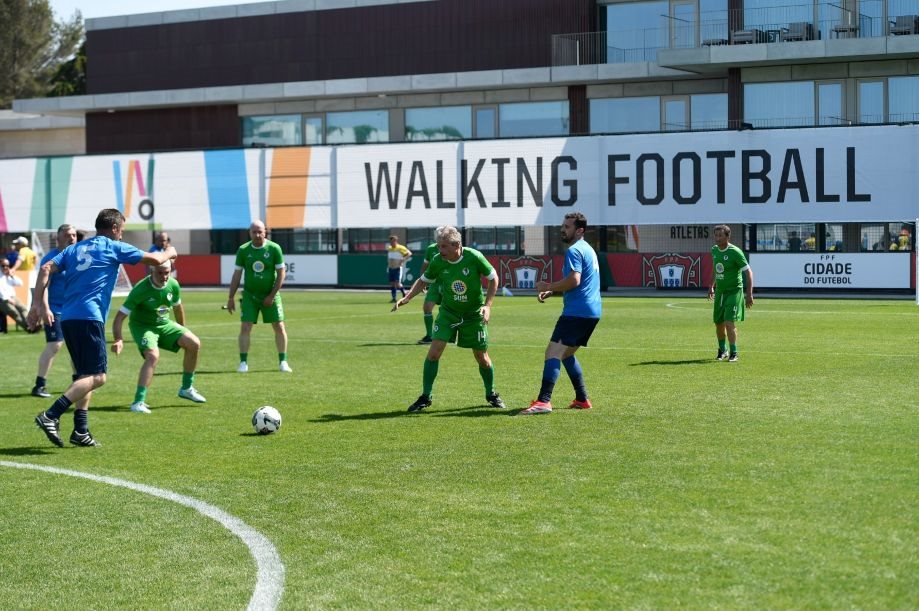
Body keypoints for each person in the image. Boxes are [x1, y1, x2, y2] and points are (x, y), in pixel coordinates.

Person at [29, 208, 177, 448]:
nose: (122, 235)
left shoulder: (74, 248)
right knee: (98, 377)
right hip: (89, 318)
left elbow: (45, 268)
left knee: (84, 376)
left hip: (67, 318)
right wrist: (171, 250)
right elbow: (157, 260)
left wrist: (36, 304)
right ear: (116, 228)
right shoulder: (112, 247)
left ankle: (81, 430)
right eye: (123, 231)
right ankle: (51, 415)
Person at [392, 225, 505, 412]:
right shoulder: (438, 260)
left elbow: (493, 278)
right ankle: (425, 396)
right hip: (449, 313)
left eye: (444, 246)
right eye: (439, 246)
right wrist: (408, 297)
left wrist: (487, 306)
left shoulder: (474, 257)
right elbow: (423, 280)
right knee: (434, 352)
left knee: (481, 357)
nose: (440, 250)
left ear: (457, 245)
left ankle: (491, 393)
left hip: (473, 314)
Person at [519, 212, 602, 415]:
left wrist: (547, 284)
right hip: (591, 311)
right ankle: (582, 399)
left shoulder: (574, 250)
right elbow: (579, 285)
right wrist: (553, 291)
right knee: (566, 354)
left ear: (579, 230)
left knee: (552, 353)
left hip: (577, 312)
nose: (562, 229)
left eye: (567, 226)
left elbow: (574, 281)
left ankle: (543, 402)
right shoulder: (588, 249)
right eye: (563, 226)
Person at [111, 259, 206, 413]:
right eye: (160, 273)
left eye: (166, 273)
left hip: (164, 324)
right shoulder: (141, 289)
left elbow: (177, 307)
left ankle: (186, 388)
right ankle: (138, 402)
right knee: (153, 356)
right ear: (152, 271)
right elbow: (119, 317)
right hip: (143, 327)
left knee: (194, 343)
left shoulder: (173, 284)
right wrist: (118, 339)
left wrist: (182, 330)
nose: (164, 277)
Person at [226, 220, 291, 373]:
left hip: (271, 295)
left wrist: (271, 295)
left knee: (279, 326)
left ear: (265, 231)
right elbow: (237, 275)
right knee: (246, 327)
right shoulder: (243, 250)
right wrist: (230, 297)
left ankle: (283, 362)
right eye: (254, 232)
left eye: (260, 231)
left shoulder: (274, 248)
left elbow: (282, 274)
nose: (257, 235)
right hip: (250, 296)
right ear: (249, 233)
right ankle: (243, 363)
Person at [31, 224, 78, 398]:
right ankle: (39, 385)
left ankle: (78, 381)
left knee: (76, 345)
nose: (71, 238)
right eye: (67, 235)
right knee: (55, 345)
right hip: (55, 309)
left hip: (74, 309)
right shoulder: (50, 259)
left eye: (73, 235)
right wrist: (45, 308)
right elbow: (44, 286)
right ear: (57, 239)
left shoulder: (78, 258)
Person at [707, 224, 754, 363]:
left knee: (729, 322)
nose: (717, 238)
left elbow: (749, 272)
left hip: (734, 291)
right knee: (718, 323)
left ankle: (734, 352)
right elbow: (716, 269)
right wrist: (711, 286)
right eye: (716, 235)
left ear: (728, 236)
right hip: (720, 291)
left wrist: (749, 294)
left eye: (720, 235)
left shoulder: (735, 252)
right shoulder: (714, 250)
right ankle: (722, 350)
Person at [416, 227, 445, 344]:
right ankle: (429, 336)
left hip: (448, 284)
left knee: (451, 310)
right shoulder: (431, 249)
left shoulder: (451, 247)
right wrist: (423, 281)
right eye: (437, 234)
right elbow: (425, 265)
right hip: (434, 284)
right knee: (427, 308)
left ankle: (450, 335)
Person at [0, 258, 31, 332]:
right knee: (15, 313)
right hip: (3, 300)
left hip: (13, 297)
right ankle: (28, 328)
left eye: (7, 265)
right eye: (3, 265)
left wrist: (12, 276)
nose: (5, 267)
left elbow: (20, 283)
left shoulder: (8, 275)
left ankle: (31, 325)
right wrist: (8, 299)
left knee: (23, 309)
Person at [386, 235, 411, 303]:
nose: (392, 243)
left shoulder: (400, 248)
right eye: (391, 241)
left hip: (397, 268)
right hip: (391, 268)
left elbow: (409, 253)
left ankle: (405, 295)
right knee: (392, 283)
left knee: (397, 283)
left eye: (393, 241)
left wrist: (403, 259)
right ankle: (394, 298)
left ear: (396, 241)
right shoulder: (390, 248)